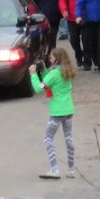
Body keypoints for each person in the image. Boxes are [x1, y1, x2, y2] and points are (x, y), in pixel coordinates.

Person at [31, 48, 78, 179]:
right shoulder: (65, 71)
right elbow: (51, 81)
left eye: (51, 57)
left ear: (56, 59)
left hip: (57, 112)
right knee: (68, 138)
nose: (49, 59)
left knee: (48, 138)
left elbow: (38, 88)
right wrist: (45, 70)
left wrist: (33, 74)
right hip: (68, 110)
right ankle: (71, 170)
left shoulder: (54, 74)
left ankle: (54, 169)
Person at [59, 0, 89, 68]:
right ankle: (78, 54)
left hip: (86, 17)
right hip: (72, 17)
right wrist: (64, 10)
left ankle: (86, 60)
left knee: (86, 39)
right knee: (73, 39)